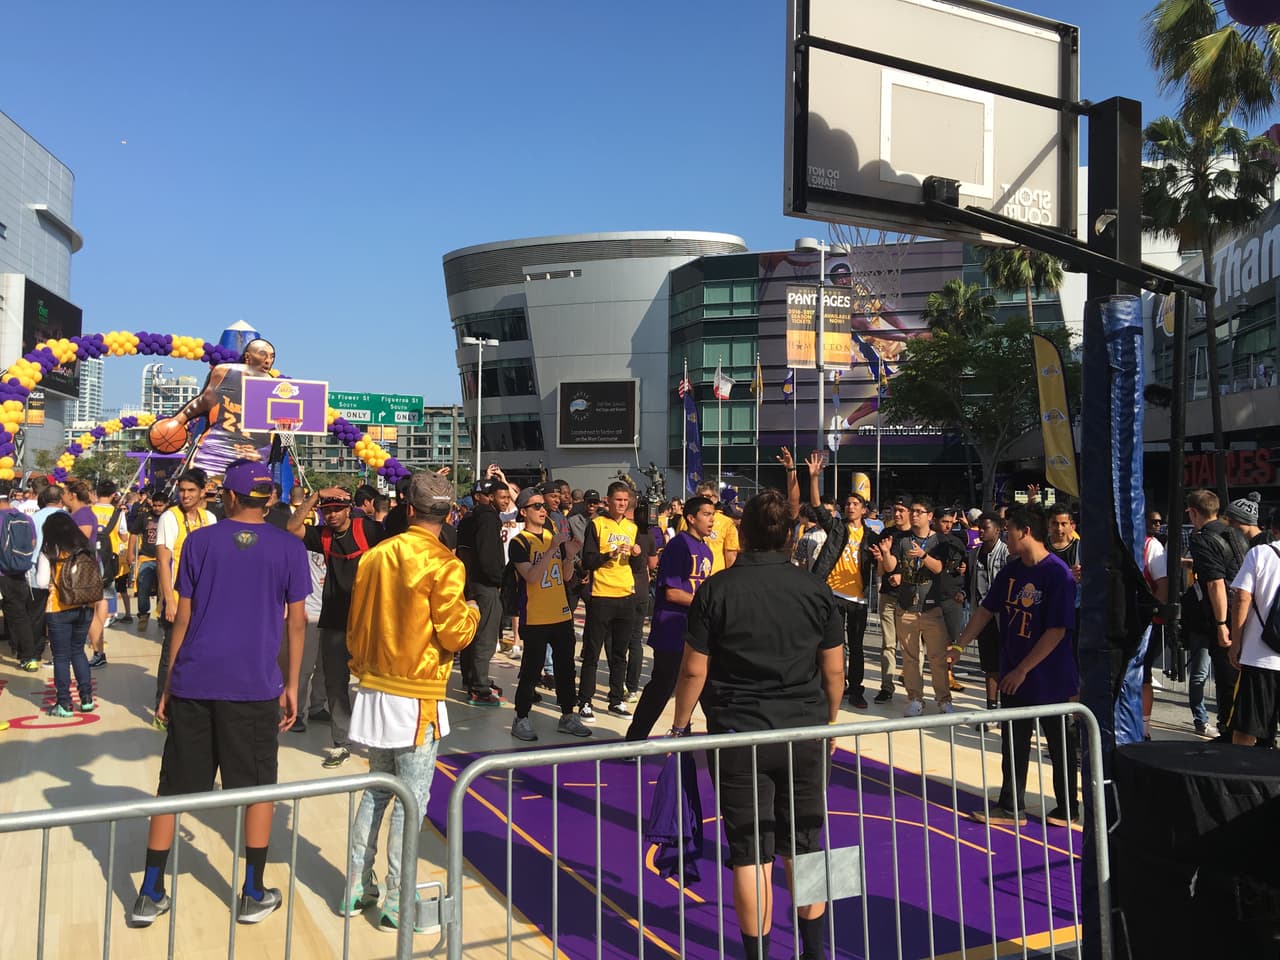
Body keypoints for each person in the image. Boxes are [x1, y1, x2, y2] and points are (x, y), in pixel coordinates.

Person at [130, 460, 309, 927]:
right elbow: (296, 622)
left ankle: (150, 892)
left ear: (227, 496)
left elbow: (182, 619)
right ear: (268, 499)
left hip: (194, 680)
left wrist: (169, 684)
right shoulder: (289, 547)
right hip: (254, 687)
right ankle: (251, 892)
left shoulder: (199, 542)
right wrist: (290, 685)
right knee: (257, 790)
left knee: (172, 789)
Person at [670, 489, 844, 960]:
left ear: (742, 533)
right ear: (790, 536)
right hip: (804, 730)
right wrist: (829, 722)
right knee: (806, 845)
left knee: (751, 852)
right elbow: (834, 672)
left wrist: (680, 726)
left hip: (738, 732)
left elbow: (692, 669)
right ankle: (815, 950)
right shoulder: (815, 590)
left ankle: (758, 954)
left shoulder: (717, 590)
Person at [338, 472, 481, 931]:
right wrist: (475, 613)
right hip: (416, 692)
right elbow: (456, 634)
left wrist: (361, 665)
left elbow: (355, 622)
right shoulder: (445, 563)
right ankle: (398, 898)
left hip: (374, 683)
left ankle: (356, 884)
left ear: (409, 507)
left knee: (378, 788)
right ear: (449, 513)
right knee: (411, 800)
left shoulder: (376, 555)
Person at [949, 504, 1079, 827]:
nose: (1005, 536)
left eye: (1009, 530)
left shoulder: (1057, 574)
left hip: (1050, 677)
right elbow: (985, 610)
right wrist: (959, 645)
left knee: (1060, 743)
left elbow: (1057, 630)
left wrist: (1025, 668)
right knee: (1013, 742)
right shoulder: (1010, 571)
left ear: (1025, 531)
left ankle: (1067, 808)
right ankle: (1011, 805)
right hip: (1012, 674)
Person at [287, 485, 385, 766]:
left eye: (336, 510)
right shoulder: (323, 535)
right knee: (335, 683)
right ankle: (341, 743)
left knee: (375, 681)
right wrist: (315, 496)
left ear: (348, 509)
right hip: (334, 620)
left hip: (369, 620)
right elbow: (293, 528)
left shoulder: (367, 530)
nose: (331, 516)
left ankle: (379, 739)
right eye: (326, 511)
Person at [625, 496, 715, 741]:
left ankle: (687, 733)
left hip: (695, 629)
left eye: (713, 514)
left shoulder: (706, 550)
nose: (711, 519)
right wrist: (707, 604)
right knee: (662, 685)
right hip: (672, 628)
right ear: (691, 517)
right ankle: (635, 739)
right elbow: (672, 592)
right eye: (706, 514)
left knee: (703, 685)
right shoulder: (679, 545)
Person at [507, 487, 591, 740]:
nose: (543, 510)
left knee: (566, 670)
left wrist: (570, 556)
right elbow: (531, 577)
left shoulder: (552, 535)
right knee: (531, 671)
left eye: (543, 506)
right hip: (535, 617)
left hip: (561, 614)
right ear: (523, 512)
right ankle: (521, 717)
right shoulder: (519, 543)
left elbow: (565, 577)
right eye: (536, 506)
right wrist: (550, 549)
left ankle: (568, 715)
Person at [803, 451, 876, 709]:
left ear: (864, 510)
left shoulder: (870, 536)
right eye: (848, 503)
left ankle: (856, 689)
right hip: (832, 594)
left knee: (856, 647)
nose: (850, 506)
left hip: (858, 598)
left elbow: (880, 563)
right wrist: (813, 478)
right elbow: (816, 507)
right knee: (831, 644)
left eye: (856, 504)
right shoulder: (836, 528)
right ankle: (830, 685)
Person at [879, 496, 955, 717]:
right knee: (910, 658)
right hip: (906, 608)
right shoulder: (901, 539)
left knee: (937, 658)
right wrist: (885, 553)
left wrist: (923, 555)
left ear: (930, 516)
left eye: (919, 512)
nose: (913, 515)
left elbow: (939, 567)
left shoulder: (939, 541)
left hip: (931, 609)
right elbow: (893, 566)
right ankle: (915, 698)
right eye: (912, 511)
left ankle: (943, 699)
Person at [154, 470, 217, 730]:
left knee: (204, 652)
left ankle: (197, 701)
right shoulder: (170, 517)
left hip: (206, 599)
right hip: (179, 597)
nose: (186, 495)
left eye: (191, 490)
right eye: (182, 490)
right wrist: (169, 600)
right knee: (173, 652)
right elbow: (163, 561)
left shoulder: (210, 518)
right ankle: (163, 706)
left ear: (203, 491)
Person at [1185, 488, 1249, 738]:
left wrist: (1222, 623)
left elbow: (1215, 583)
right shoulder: (1235, 532)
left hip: (1225, 612)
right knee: (1236, 675)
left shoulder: (1201, 538)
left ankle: (1229, 730)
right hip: (1244, 609)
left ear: (1193, 512)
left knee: (1225, 676)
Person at [576, 481, 640, 721]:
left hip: (626, 594)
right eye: (618, 500)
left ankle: (616, 699)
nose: (622, 504)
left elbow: (637, 567)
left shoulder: (632, 528)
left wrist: (636, 554)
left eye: (625, 500)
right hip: (602, 594)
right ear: (608, 500)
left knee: (619, 653)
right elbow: (588, 560)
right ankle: (585, 701)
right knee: (592, 652)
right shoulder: (597, 524)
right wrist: (609, 554)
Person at [167, 338, 275, 476]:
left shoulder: (272, 386)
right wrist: (179, 419)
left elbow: (270, 431)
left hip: (250, 458)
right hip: (212, 455)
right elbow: (203, 401)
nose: (268, 361)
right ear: (248, 357)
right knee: (205, 491)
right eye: (263, 354)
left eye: (272, 357)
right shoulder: (224, 372)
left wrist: (262, 453)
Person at [34, 512, 99, 716]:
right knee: (78, 652)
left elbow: (42, 582)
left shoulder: (50, 550)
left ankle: (64, 703)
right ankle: (86, 699)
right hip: (85, 606)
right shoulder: (86, 547)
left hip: (59, 608)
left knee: (61, 657)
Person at [455, 477, 507, 706]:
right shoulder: (487, 519)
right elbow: (488, 555)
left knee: (473, 633)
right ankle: (480, 686)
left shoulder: (470, 518)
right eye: (501, 497)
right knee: (485, 637)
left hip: (471, 582)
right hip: (486, 585)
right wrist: (498, 578)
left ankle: (472, 678)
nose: (505, 502)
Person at [1227, 537, 1280, 745]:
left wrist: (1236, 643)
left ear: (1273, 528)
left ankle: (1241, 774)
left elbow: (1242, 598)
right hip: (1260, 658)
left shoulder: (1260, 553)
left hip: (1259, 657)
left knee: (1247, 728)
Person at [967, 512, 1010, 725]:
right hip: (983, 615)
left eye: (985, 528)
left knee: (1007, 664)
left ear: (998, 529)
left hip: (1005, 617)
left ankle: (1008, 710)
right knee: (989, 665)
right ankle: (991, 709)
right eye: (979, 528)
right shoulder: (974, 553)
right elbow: (970, 581)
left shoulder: (1007, 553)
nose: (981, 532)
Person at [872, 497, 912, 704]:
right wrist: (881, 560)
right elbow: (882, 568)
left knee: (912, 646)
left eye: (901, 510)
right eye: (894, 510)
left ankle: (914, 688)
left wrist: (903, 577)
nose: (896, 514)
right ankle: (887, 687)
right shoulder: (886, 534)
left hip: (910, 598)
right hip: (888, 596)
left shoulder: (916, 535)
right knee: (888, 644)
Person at [128, 490, 168, 628]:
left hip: (164, 560)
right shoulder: (144, 517)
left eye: (160, 506)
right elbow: (133, 534)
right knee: (143, 586)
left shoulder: (170, 518)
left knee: (163, 590)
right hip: (146, 558)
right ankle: (143, 615)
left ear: (166, 505)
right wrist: (130, 553)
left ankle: (161, 616)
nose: (157, 508)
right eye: (155, 505)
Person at [694, 479, 739, 573]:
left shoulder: (726, 523)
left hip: (715, 580)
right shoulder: (686, 519)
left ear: (715, 498)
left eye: (707, 496)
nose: (702, 500)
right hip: (690, 580)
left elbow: (731, 556)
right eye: (700, 496)